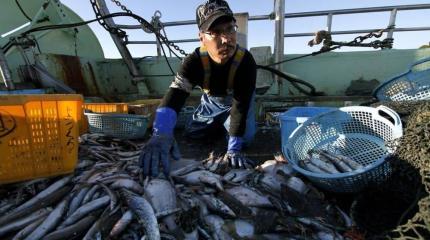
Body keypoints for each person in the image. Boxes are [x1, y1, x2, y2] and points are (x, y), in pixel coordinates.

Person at [139, 0, 257, 177]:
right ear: (201, 37)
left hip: (238, 102)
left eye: (230, 29)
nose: (226, 39)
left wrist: (233, 148)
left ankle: (226, 130)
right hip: (211, 103)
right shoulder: (193, 61)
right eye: (215, 32)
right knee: (193, 133)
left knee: (244, 139)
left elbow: (240, 107)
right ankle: (217, 124)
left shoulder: (246, 61)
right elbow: (176, 93)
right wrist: (161, 132)